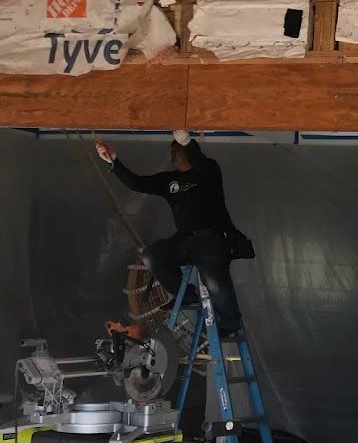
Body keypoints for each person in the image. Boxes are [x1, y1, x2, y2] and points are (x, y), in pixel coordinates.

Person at [95, 130, 248, 337]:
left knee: (214, 280)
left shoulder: (207, 170)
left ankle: (230, 321)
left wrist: (187, 142)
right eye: (171, 150)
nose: (172, 154)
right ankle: (185, 296)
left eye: (176, 150)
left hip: (211, 238)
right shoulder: (169, 181)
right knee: (152, 255)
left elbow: (201, 161)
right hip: (185, 239)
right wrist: (114, 162)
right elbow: (137, 183)